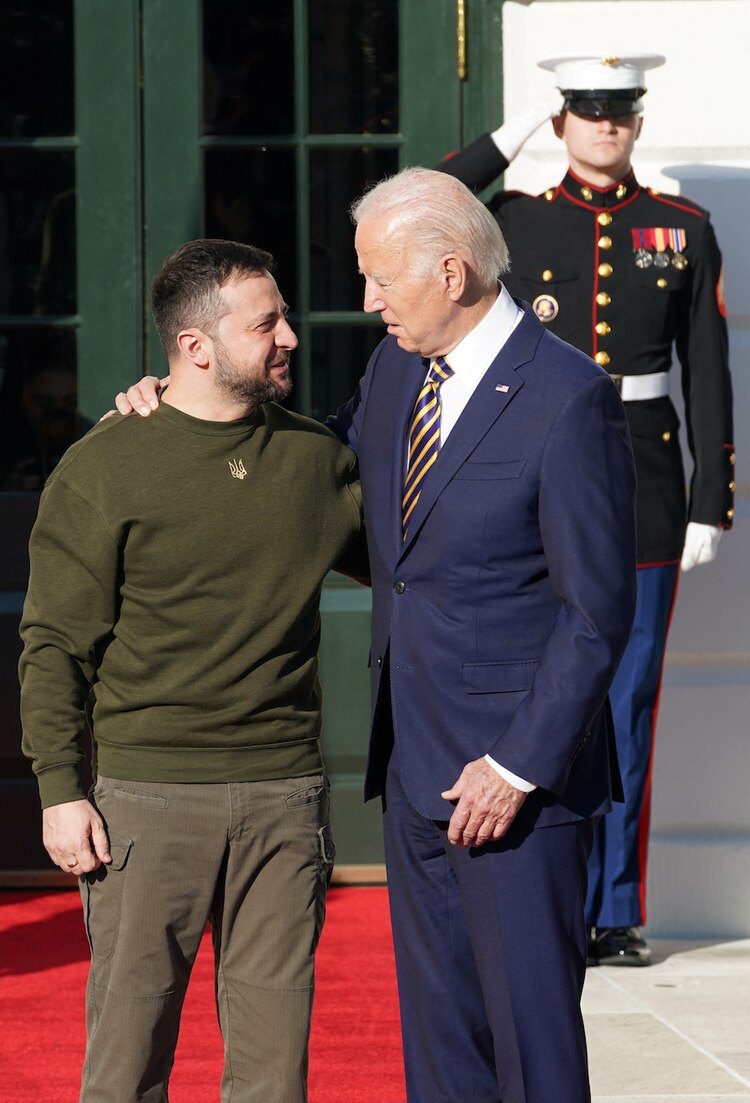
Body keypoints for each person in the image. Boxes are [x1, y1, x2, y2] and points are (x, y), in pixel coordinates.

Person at [118, 168, 637, 1103]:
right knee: (440, 1051)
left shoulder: (570, 398)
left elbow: (597, 614)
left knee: (534, 1051)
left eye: (380, 281)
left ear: (451, 273)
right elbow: (315, 477)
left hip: (513, 791)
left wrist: (517, 764)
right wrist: (182, 405)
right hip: (413, 773)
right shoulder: (398, 366)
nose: (366, 304)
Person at [19, 239, 366, 1103]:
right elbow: (54, 641)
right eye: (267, 322)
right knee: (128, 1064)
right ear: (195, 346)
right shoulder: (105, 464)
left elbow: (425, 559)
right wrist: (61, 789)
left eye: (285, 314)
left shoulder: (318, 461)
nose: (290, 334)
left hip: (286, 802)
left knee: (272, 1074)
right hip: (146, 802)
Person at [440, 52, 735, 967]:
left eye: (619, 112)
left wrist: (708, 500)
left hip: (643, 485)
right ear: (563, 120)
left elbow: (710, 373)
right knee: (537, 685)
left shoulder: (680, 228)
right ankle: (539, 888)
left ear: (638, 123)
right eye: (585, 111)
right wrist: (512, 130)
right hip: (532, 480)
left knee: (628, 698)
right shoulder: (517, 221)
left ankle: (612, 910)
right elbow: (426, 197)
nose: (604, 125)